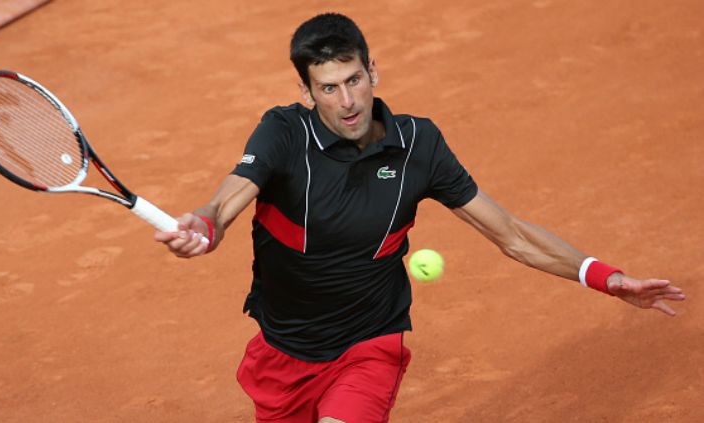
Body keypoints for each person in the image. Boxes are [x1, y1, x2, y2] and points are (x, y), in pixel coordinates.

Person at [154, 13, 686, 423]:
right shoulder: (284, 133)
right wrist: (203, 225)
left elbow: (512, 234)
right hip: (283, 351)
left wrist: (604, 276)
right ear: (306, 93)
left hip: (369, 344)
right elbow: (226, 201)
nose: (347, 101)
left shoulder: (419, 147)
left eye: (355, 79)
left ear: (373, 71)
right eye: (329, 88)